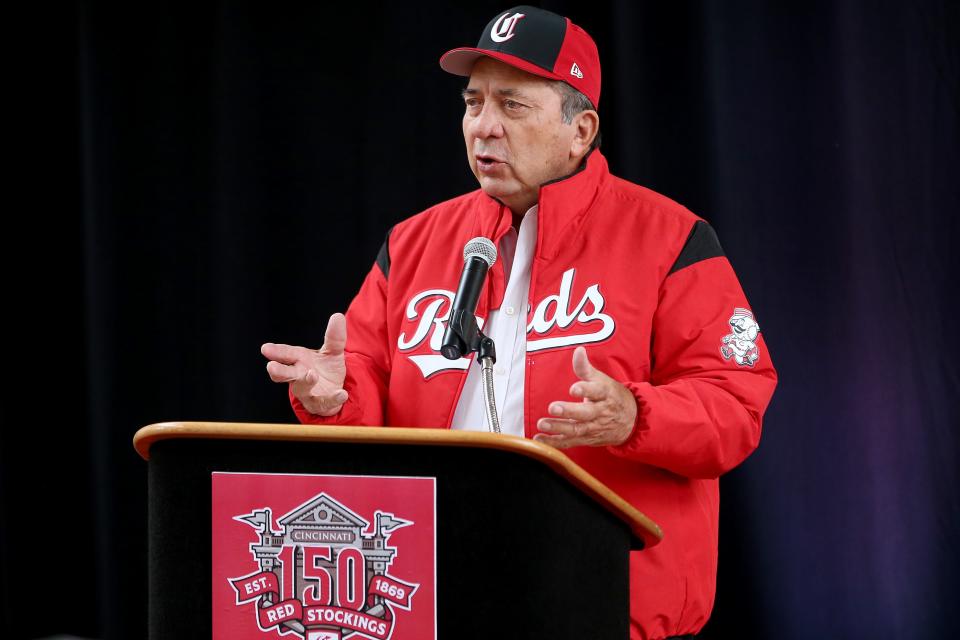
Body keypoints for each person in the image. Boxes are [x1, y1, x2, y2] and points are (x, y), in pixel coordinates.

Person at [261, 6, 777, 639]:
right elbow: (370, 389)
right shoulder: (414, 241)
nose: (484, 128)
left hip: (608, 607)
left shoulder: (672, 239)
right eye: (472, 103)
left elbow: (735, 409)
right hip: (428, 599)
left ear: (580, 129)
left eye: (513, 105)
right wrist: (336, 398)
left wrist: (635, 416)